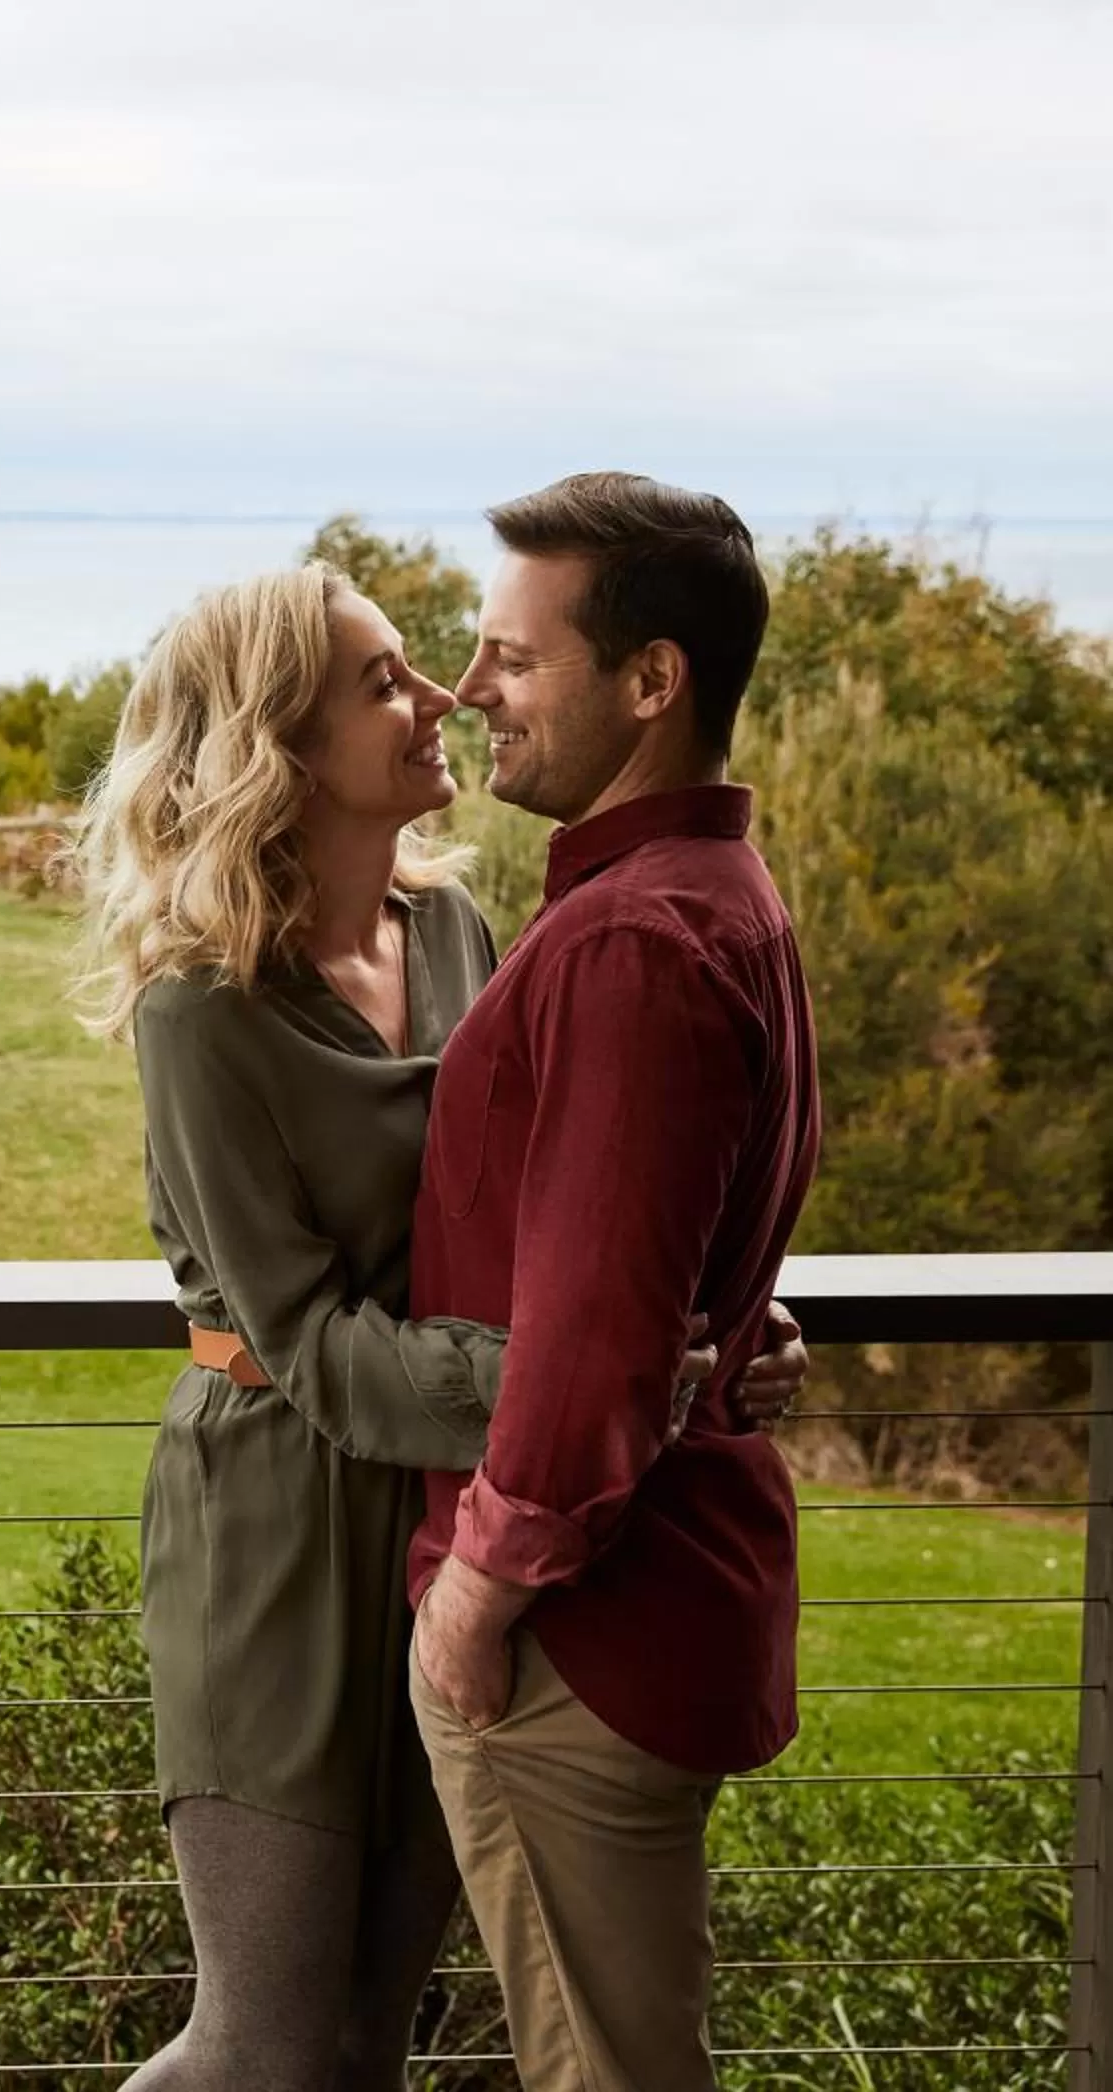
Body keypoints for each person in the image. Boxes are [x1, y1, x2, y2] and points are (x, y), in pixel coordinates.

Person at [64, 561, 803, 2089]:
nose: (443, 695)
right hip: (273, 1526)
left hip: (453, 1510)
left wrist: (707, 1325)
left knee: (369, 2037)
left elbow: (570, 1206)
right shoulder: (204, 1011)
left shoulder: (464, 928)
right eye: (383, 679)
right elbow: (320, 1347)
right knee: (261, 2044)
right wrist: (582, 1381)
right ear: (274, 740)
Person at [408, 473, 822, 2091]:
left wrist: (475, 1598)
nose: (471, 690)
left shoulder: (632, 942)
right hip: (639, 1601)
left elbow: (586, 1341)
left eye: (513, 657)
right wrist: (742, 1330)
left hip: (580, 1635)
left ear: (653, 682)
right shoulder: (714, 898)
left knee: (608, 2072)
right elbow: (674, 1240)